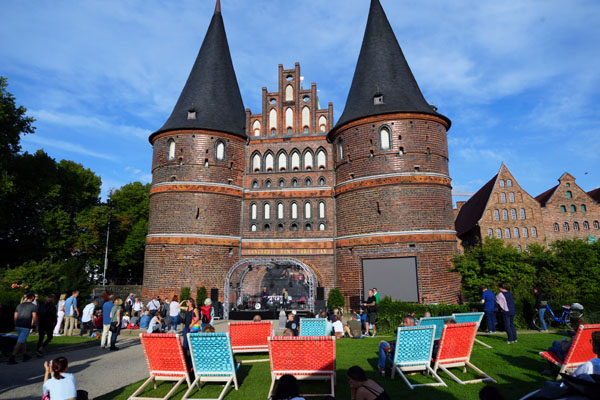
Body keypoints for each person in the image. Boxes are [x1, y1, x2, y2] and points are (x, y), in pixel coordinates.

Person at [9, 292, 37, 364]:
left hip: (18, 325)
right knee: (20, 341)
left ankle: (25, 355)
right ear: (32, 298)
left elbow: (15, 315)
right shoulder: (33, 306)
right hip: (26, 325)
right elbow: (34, 316)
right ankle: (12, 357)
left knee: (23, 340)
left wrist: (15, 324)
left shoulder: (19, 305)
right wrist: (34, 325)